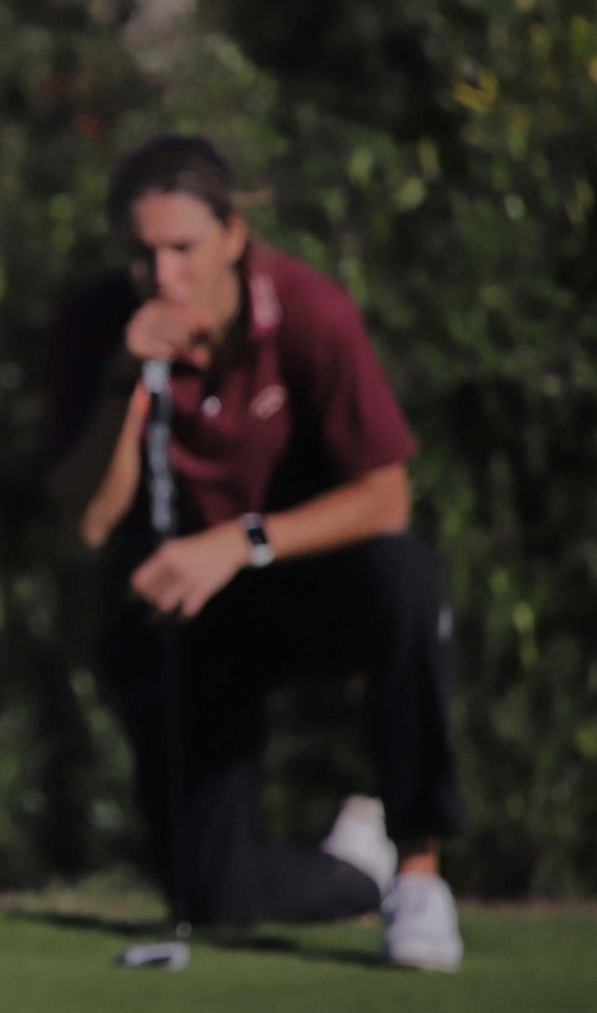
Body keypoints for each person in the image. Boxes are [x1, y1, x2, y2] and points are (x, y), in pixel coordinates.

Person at [51, 135, 464, 970]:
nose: (163, 275)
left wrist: (241, 542)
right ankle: (359, 871)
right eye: (142, 253)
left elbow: (387, 496)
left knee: (409, 577)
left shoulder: (310, 310)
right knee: (215, 900)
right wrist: (124, 384)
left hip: (294, 575)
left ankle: (420, 871)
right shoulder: (101, 325)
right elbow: (90, 520)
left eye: (183, 249)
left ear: (234, 236)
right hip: (186, 618)